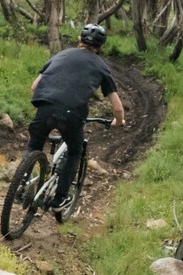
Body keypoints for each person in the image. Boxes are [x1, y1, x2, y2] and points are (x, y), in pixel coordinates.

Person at [26, 23, 125, 212]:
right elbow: (118, 107)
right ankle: (59, 199)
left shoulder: (61, 55)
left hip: (44, 107)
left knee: (33, 146)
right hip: (72, 115)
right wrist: (118, 122)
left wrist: (45, 106)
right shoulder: (101, 66)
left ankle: (22, 184)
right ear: (100, 46)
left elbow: (34, 87)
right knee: (74, 152)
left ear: (79, 39)